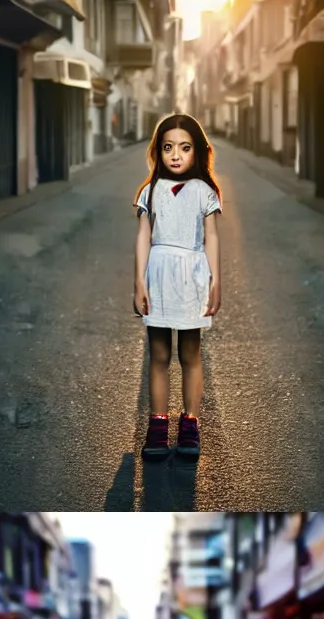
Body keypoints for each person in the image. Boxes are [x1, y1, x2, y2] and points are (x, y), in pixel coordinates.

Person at [133, 114, 223, 462]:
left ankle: (190, 422)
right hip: (158, 275)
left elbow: (212, 237)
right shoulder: (150, 191)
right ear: (158, 151)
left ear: (196, 151)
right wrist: (138, 279)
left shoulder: (204, 191)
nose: (176, 155)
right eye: (168, 147)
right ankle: (157, 424)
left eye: (184, 148)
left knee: (190, 354)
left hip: (191, 276)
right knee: (158, 355)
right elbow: (143, 236)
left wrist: (217, 280)